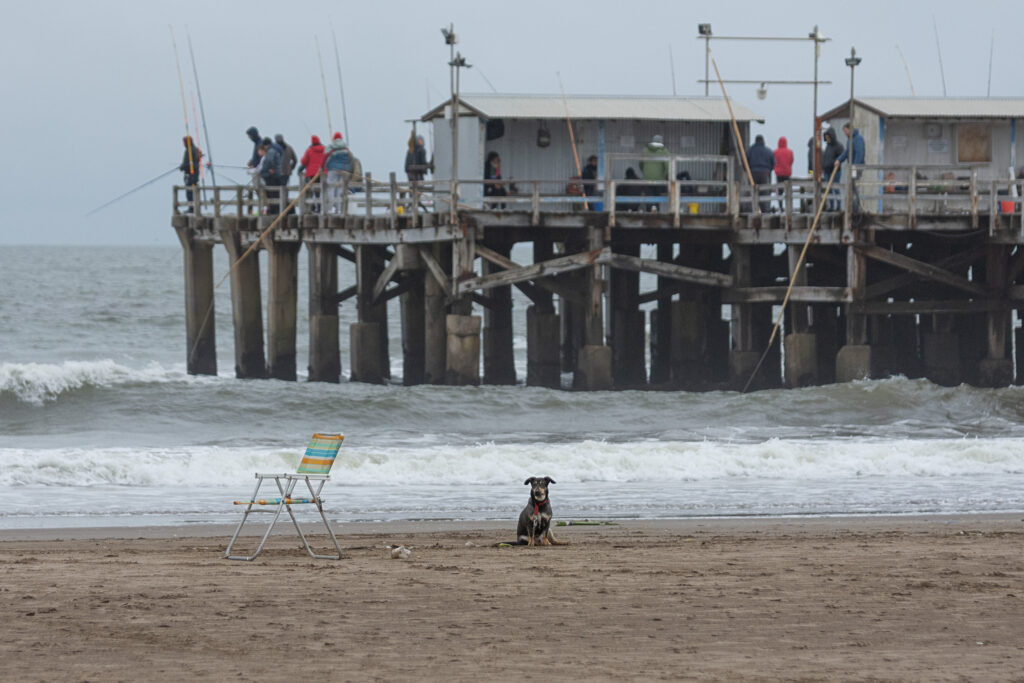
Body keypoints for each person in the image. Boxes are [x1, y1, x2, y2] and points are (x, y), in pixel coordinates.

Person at [836, 122, 865, 211]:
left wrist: (854, 166)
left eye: (845, 131)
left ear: (849, 129)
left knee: (854, 187)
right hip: (852, 167)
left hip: (856, 167)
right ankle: (852, 207)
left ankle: (856, 208)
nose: (844, 133)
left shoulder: (858, 139)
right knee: (851, 187)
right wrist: (839, 159)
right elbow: (847, 152)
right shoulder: (850, 140)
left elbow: (860, 154)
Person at [297, 134, 326, 212]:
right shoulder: (325, 149)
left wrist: (299, 170)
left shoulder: (309, 150)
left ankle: (317, 207)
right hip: (322, 173)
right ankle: (323, 207)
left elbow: (304, 161)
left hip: (312, 173)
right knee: (323, 189)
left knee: (315, 190)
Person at [324, 132, 352, 213]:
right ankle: (339, 209)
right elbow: (351, 160)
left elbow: (325, 158)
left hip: (333, 169)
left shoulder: (331, 148)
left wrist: (323, 167)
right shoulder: (346, 148)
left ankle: (329, 208)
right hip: (344, 170)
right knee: (340, 189)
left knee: (331, 188)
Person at [747, 134, 775, 212]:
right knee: (765, 192)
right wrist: (769, 170)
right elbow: (773, 162)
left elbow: (745, 162)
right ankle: (765, 210)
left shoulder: (750, 150)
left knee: (753, 192)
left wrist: (748, 170)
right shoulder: (768, 151)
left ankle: (753, 210)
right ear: (763, 141)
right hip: (765, 173)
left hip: (753, 173)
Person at [640, 134, 669, 206]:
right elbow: (668, 166)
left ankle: (648, 213)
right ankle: (656, 212)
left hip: (646, 179)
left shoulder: (645, 150)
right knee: (656, 199)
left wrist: (645, 173)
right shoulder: (664, 151)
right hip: (659, 179)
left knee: (649, 199)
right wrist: (665, 176)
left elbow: (640, 164)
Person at [821, 128, 844, 211]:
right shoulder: (827, 146)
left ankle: (838, 206)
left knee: (835, 187)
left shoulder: (838, 146)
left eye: (828, 137)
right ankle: (831, 206)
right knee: (828, 189)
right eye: (826, 137)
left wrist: (833, 163)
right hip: (827, 171)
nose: (827, 139)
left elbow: (841, 158)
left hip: (835, 171)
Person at [259, 137, 285, 214]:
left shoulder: (271, 151)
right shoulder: (275, 150)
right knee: (276, 193)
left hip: (271, 176)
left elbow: (269, 161)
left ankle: (273, 210)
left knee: (272, 194)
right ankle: (275, 210)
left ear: (266, 145)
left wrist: (269, 169)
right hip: (276, 175)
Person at [179, 135, 202, 211]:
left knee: (189, 191)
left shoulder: (188, 150)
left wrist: (181, 167)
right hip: (196, 174)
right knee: (195, 190)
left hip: (190, 175)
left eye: (184, 142)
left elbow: (186, 163)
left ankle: (191, 208)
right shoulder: (195, 149)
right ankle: (196, 208)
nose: (183, 144)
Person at [773, 136, 794, 212]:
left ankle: (780, 207)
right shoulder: (790, 152)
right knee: (788, 191)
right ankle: (789, 207)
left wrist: (776, 169)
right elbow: (791, 161)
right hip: (787, 173)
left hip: (779, 174)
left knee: (780, 191)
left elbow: (774, 162)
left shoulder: (775, 152)